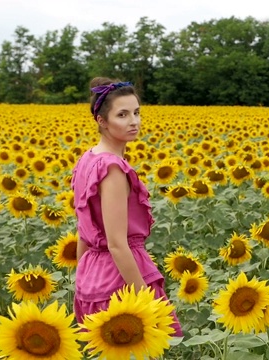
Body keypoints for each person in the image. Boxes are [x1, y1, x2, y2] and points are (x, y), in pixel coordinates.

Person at [71, 77, 182, 336]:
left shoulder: (88, 159)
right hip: (122, 280)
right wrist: (148, 302)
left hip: (92, 276)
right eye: (122, 114)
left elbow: (83, 229)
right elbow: (117, 244)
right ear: (102, 121)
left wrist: (83, 276)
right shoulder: (112, 169)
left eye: (136, 112)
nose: (134, 121)